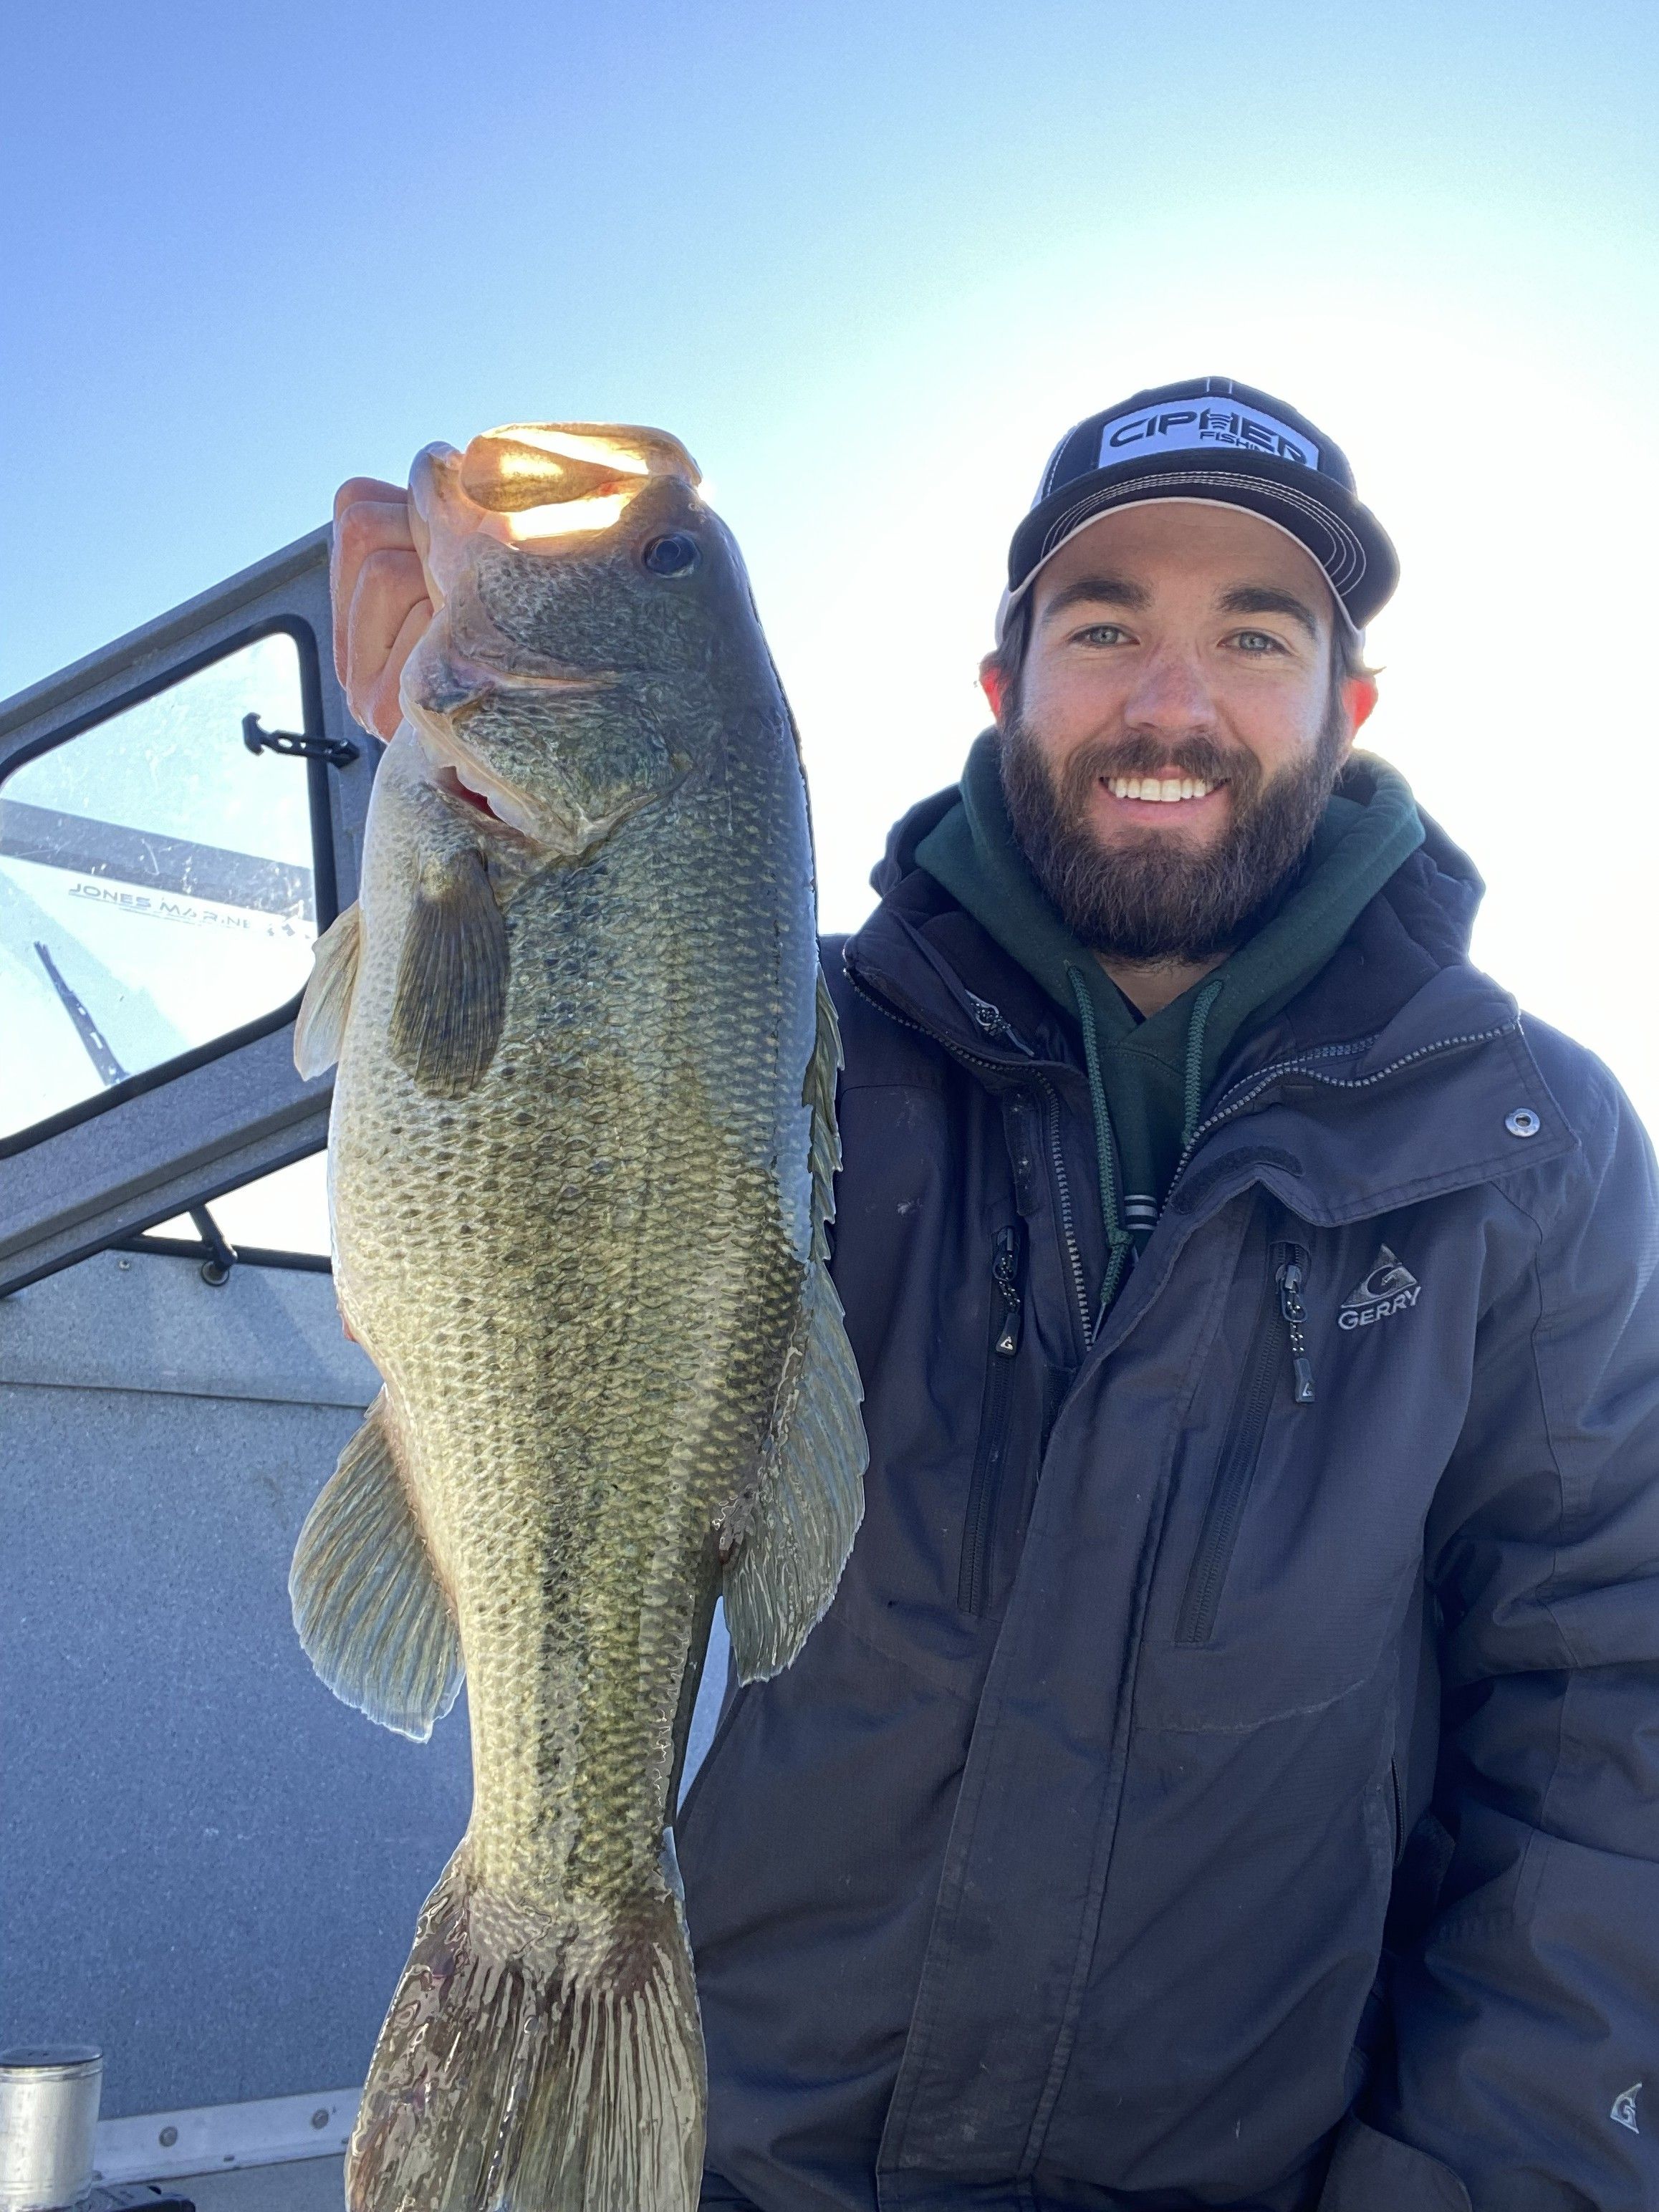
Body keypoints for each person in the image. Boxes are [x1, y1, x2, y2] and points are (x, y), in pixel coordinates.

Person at [331, 376, 1659, 2212]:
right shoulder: (790, 1045)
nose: (1171, 701)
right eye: (1104, 628)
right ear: (1002, 684)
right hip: (744, 2165)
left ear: (1347, 710)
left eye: (1253, 636)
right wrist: (408, 753)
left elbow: (1599, 1719)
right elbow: (459, 1137)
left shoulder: (1534, 1149)